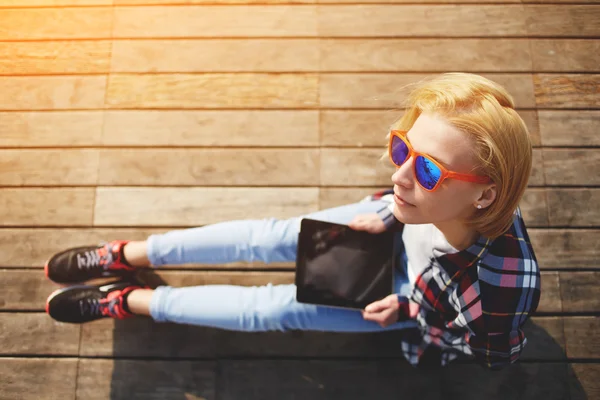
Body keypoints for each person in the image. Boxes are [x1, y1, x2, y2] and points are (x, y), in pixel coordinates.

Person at [44, 72, 540, 370]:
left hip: (406, 295)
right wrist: (390, 215)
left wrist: (409, 310)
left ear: (485, 195)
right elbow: (409, 197)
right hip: (396, 232)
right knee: (273, 235)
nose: (398, 173)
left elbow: (490, 351)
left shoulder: (504, 289)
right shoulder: (417, 199)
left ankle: (131, 301)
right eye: (403, 147)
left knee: (276, 309)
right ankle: (128, 253)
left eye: (428, 168)